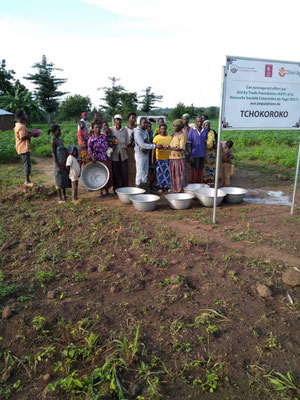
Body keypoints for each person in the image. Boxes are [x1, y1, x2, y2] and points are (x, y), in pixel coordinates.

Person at [133, 117, 162, 190]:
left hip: (145, 154)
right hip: (139, 155)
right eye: (144, 123)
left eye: (146, 123)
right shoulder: (137, 132)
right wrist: (155, 146)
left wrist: (152, 145)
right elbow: (142, 144)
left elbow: (148, 141)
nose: (146, 124)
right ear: (140, 123)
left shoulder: (145, 131)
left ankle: (145, 189)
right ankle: (137, 190)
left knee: (145, 173)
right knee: (139, 173)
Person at [88, 121, 113, 197]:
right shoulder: (91, 139)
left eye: (99, 127)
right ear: (93, 129)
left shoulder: (103, 137)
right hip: (97, 160)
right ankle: (101, 192)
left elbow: (107, 147)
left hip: (105, 158)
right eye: (96, 127)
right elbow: (89, 150)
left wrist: (109, 155)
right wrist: (92, 158)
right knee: (100, 175)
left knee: (108, 175)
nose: (98, 129)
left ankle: (107, 191)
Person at [49, 124, 70, 203]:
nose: (60, 132)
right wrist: (57, 166)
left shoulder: (60, 139)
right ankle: (59, 197)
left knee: (64, 178)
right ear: (54, 132)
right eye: (59, 130)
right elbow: (53, 154)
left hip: (63, 162)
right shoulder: (53, 141)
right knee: (58, 180)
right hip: (58, 163)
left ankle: (64, 195)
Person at [110, 114, 130, 191]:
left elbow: (127, 141)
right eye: (117, 119)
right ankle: (116, 189)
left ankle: (125, 189)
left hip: (123, 154)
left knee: (124, 173)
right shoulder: (111, 130)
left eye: (119, 119)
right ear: (114, 121)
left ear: (121, 120)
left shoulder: (125, 130)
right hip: (114, 155)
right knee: (116, 173)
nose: (118, 121)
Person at [14, 110, 33, 185]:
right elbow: (22, 137)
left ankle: (27, 179)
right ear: (21, 116)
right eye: (25, 114)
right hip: (23, 148)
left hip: (22, 147)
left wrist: (29, 133)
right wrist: (30, 135)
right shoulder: (21, 126)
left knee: (27, 163)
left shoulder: (18, 125)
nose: (26, 115)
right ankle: (27, 180)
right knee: (27, 164)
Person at [168, 119, 187, 193]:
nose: (174, 127)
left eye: (176, 126)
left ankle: (180, 190)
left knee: (179, 174)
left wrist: (170, 147)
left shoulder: (182, 135)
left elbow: (181, 148)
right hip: (172, 157)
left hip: (179, 158)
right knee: (173, 175)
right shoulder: (174, 135)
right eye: (173, 126)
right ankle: (175, 189)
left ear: (180, 127)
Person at [187, 116, 208, 183]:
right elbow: (189, 144)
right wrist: (190, 155)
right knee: (194, 169)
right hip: (194, 153)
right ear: (196, 122)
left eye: (201, 121)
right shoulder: (192, 131)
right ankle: (194, 183)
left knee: (201, 169)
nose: (199, 123)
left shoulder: (204, 130)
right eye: (198, 121)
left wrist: (205, 153)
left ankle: (200, 182)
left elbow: (205, 143)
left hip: (202, 153)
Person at [152, 123, 172, 191]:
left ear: (166, 129)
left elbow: (172, 146)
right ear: (159, 129)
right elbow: (153, 149)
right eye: (162, 129)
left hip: (168, 158)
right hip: (159, 158)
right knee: (159, 174)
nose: (163, 130)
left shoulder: (170, 137)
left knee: (168, 173)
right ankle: (160, 187)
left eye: (164, 129)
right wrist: (152, 159)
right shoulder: (156, 138)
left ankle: (168, 187)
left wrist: (169, 147)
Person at [203, 120, 217, 186]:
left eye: (208, 125)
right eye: (206, 125)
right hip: (204, 150)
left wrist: (216, 145)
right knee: (205, 165)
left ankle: (211, 178)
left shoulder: (212, 132)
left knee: (212, 165)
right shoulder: (202, 132)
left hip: (211, 151)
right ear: (203, 126)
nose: (207, 126)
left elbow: (216, 138)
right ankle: (206, 179)